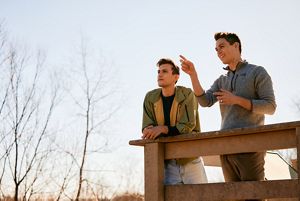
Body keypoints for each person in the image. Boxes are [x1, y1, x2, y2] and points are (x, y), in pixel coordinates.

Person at [180, 32, 276, 201]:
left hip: (251, 145)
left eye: (222, 47)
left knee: (254, 196)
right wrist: (193, 75)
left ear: (236, 46)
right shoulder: (222, 80)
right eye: (216, 49)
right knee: (233, 197)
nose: (218, 52)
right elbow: (204, 101)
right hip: (226, 147)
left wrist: (237, 100)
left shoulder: (257, 72)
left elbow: (270, 107)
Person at [142, 58, 207, 185]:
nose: (160, 74)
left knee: (203, 196)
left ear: (175, 77)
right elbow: (147, 127)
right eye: (158, 71)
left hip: (190, 158)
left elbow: (187, 125)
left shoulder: (187, 94)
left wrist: (162, 129)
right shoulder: (150, 97)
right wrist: (148, 130)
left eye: (164, 71)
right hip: (167, 161)